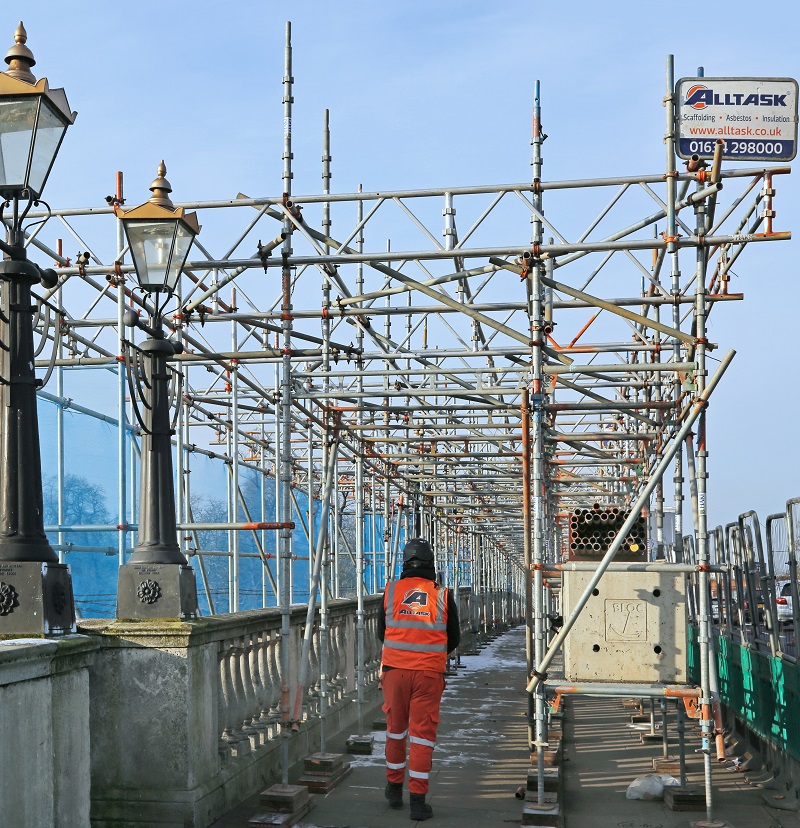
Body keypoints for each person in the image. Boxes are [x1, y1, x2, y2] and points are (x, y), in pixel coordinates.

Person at [377, 537, 460, 821]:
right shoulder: (442, 595)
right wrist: (431, 652)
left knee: (395, 731)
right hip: (428, 675)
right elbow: (454, 638)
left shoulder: (390, 592)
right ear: (431, 563)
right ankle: (418, 802)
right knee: (422, 737)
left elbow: (381, 632)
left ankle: (393, 789)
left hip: (394, 673)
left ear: (404, 562)